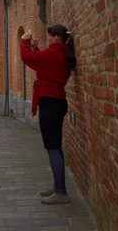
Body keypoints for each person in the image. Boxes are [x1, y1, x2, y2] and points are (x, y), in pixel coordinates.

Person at [20, 24, 76, 205]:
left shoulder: (54, 54)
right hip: (57, 101)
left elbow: (27, 57)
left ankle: (61, 192)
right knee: (55, 147)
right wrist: (36, 49)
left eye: (50, 36)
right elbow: (44, 63)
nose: (49, 39)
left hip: (50, 103)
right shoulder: (62, 53)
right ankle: (57, 185)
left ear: (57, 38)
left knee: (52, 148)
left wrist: (25, 42)